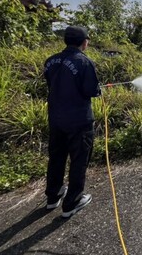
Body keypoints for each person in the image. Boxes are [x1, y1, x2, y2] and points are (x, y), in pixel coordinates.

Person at [44, 25, 101, 218]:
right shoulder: (84, 62)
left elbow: (52, 84)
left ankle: (53, 196)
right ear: (84, 42)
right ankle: (72, 202)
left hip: (56, 119)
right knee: (79, 160)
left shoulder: (50, 61)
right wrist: (98, 90)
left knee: (56, 157)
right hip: (79, 121)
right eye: (88, 40)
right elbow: (91, 91)